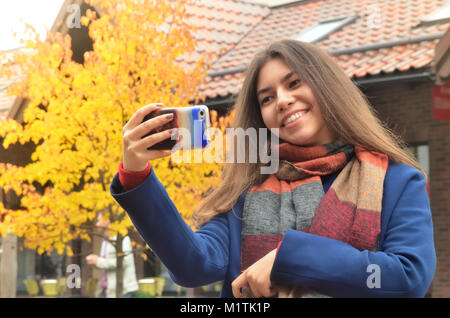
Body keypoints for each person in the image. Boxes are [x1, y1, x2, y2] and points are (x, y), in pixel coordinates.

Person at [110, 39, 436, 298]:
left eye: (294, 83)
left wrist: (288, 259)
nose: (281, 100)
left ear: (327, 87)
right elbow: (194, 265)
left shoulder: (396, 181)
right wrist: (135, 173)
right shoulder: (247, 190)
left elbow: (408, 278)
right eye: (266, 99)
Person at [86, 213, 139, 298]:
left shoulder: (122, 239)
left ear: (107, 221)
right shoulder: (106, 241)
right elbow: (106, 264)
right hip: (109, 291)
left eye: (99, 221)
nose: (97, 224)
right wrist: (96, 262)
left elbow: (125, 261)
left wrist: (99, 261)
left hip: (123, 291)